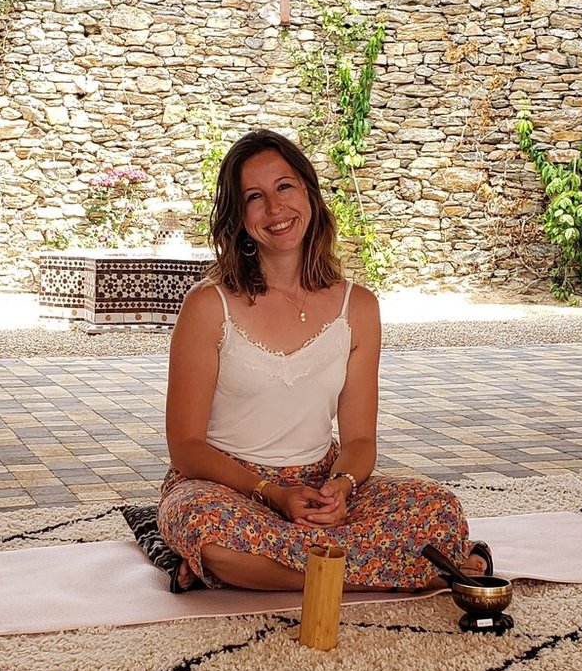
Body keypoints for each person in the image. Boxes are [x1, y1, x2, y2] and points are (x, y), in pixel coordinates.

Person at [157, 128, 488, 593]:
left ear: (309, 194)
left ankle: (257, 571)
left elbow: (358, 440)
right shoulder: (209, 306)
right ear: (238, 216)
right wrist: (272, 494)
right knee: (202, 522)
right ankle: (388, 577)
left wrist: (340, 489)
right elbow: (186, 446)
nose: (275, 209)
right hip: (229, 487)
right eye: (255, 197)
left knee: (438, 509)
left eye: (285, 187)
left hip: (320, 483)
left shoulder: (360, 307)